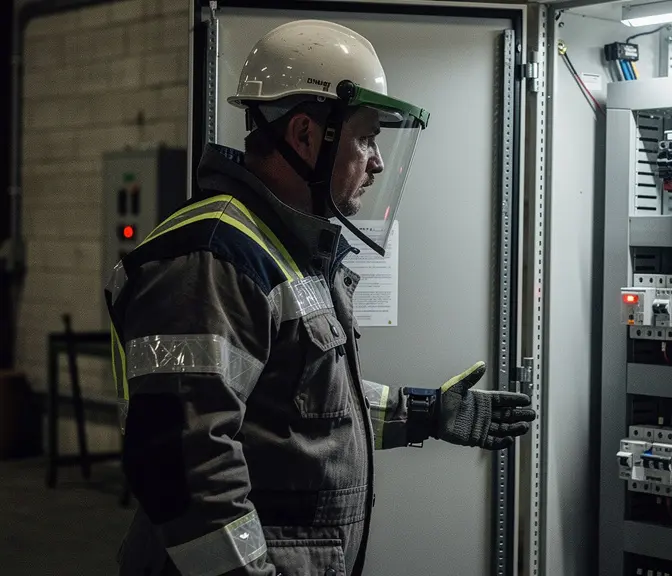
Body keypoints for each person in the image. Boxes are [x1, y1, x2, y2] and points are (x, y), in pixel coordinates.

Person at [105, 19, 536, 576]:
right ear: (307, 135)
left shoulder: (278, 249)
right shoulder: (213, 257)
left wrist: (429, 414)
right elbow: (182, 466)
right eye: (366, 137)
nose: (377, 162)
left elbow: (298, 409)